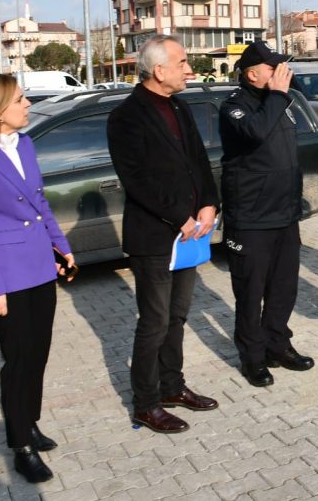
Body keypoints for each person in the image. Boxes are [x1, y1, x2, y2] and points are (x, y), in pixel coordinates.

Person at [0, 74, 75, 484]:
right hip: (6, 275)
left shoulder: (25, 144)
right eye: (20, 100)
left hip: (39, 264)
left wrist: (61, 245)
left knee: (38, 352)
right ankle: (20, 444)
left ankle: (30, 421)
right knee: (18, 360)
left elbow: (39, 201)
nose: (27, 105)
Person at [107, 35, 220, 434]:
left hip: (191, 233)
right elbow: (135, 180)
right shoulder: (126, 116)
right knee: (153, 322)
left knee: (177, 316)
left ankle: (173, 387)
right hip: (155, 237)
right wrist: (180, 217)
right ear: (159, 70)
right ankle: (146, 403)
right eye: (183, 63)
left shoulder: (180, 106)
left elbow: (199, 163)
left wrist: (209, 203)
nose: (190, 70)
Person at [220, 41, 313, 388]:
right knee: (250, 292)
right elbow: (256, 132)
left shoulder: (281, 100)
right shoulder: (234, 107)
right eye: (274, 68)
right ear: (252, 73)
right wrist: (276, 95)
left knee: (283, 289)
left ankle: (278, 344)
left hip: (284, 214)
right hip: (251, 219)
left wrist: (280, 93)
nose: (281, 73)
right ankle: (252, 357)